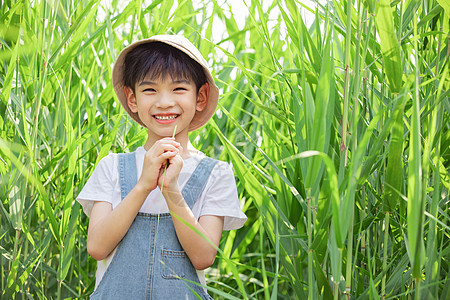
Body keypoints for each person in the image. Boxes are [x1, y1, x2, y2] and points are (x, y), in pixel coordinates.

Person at [76, 35, 247, 299]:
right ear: (132, 99)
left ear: (200, 96)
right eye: (149, 90)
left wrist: (171, 191)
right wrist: (144, 185)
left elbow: (203, 256)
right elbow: (97, 247)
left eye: (179, 89)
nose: (164, 102)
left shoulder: (216, 173)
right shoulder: (111, 167)